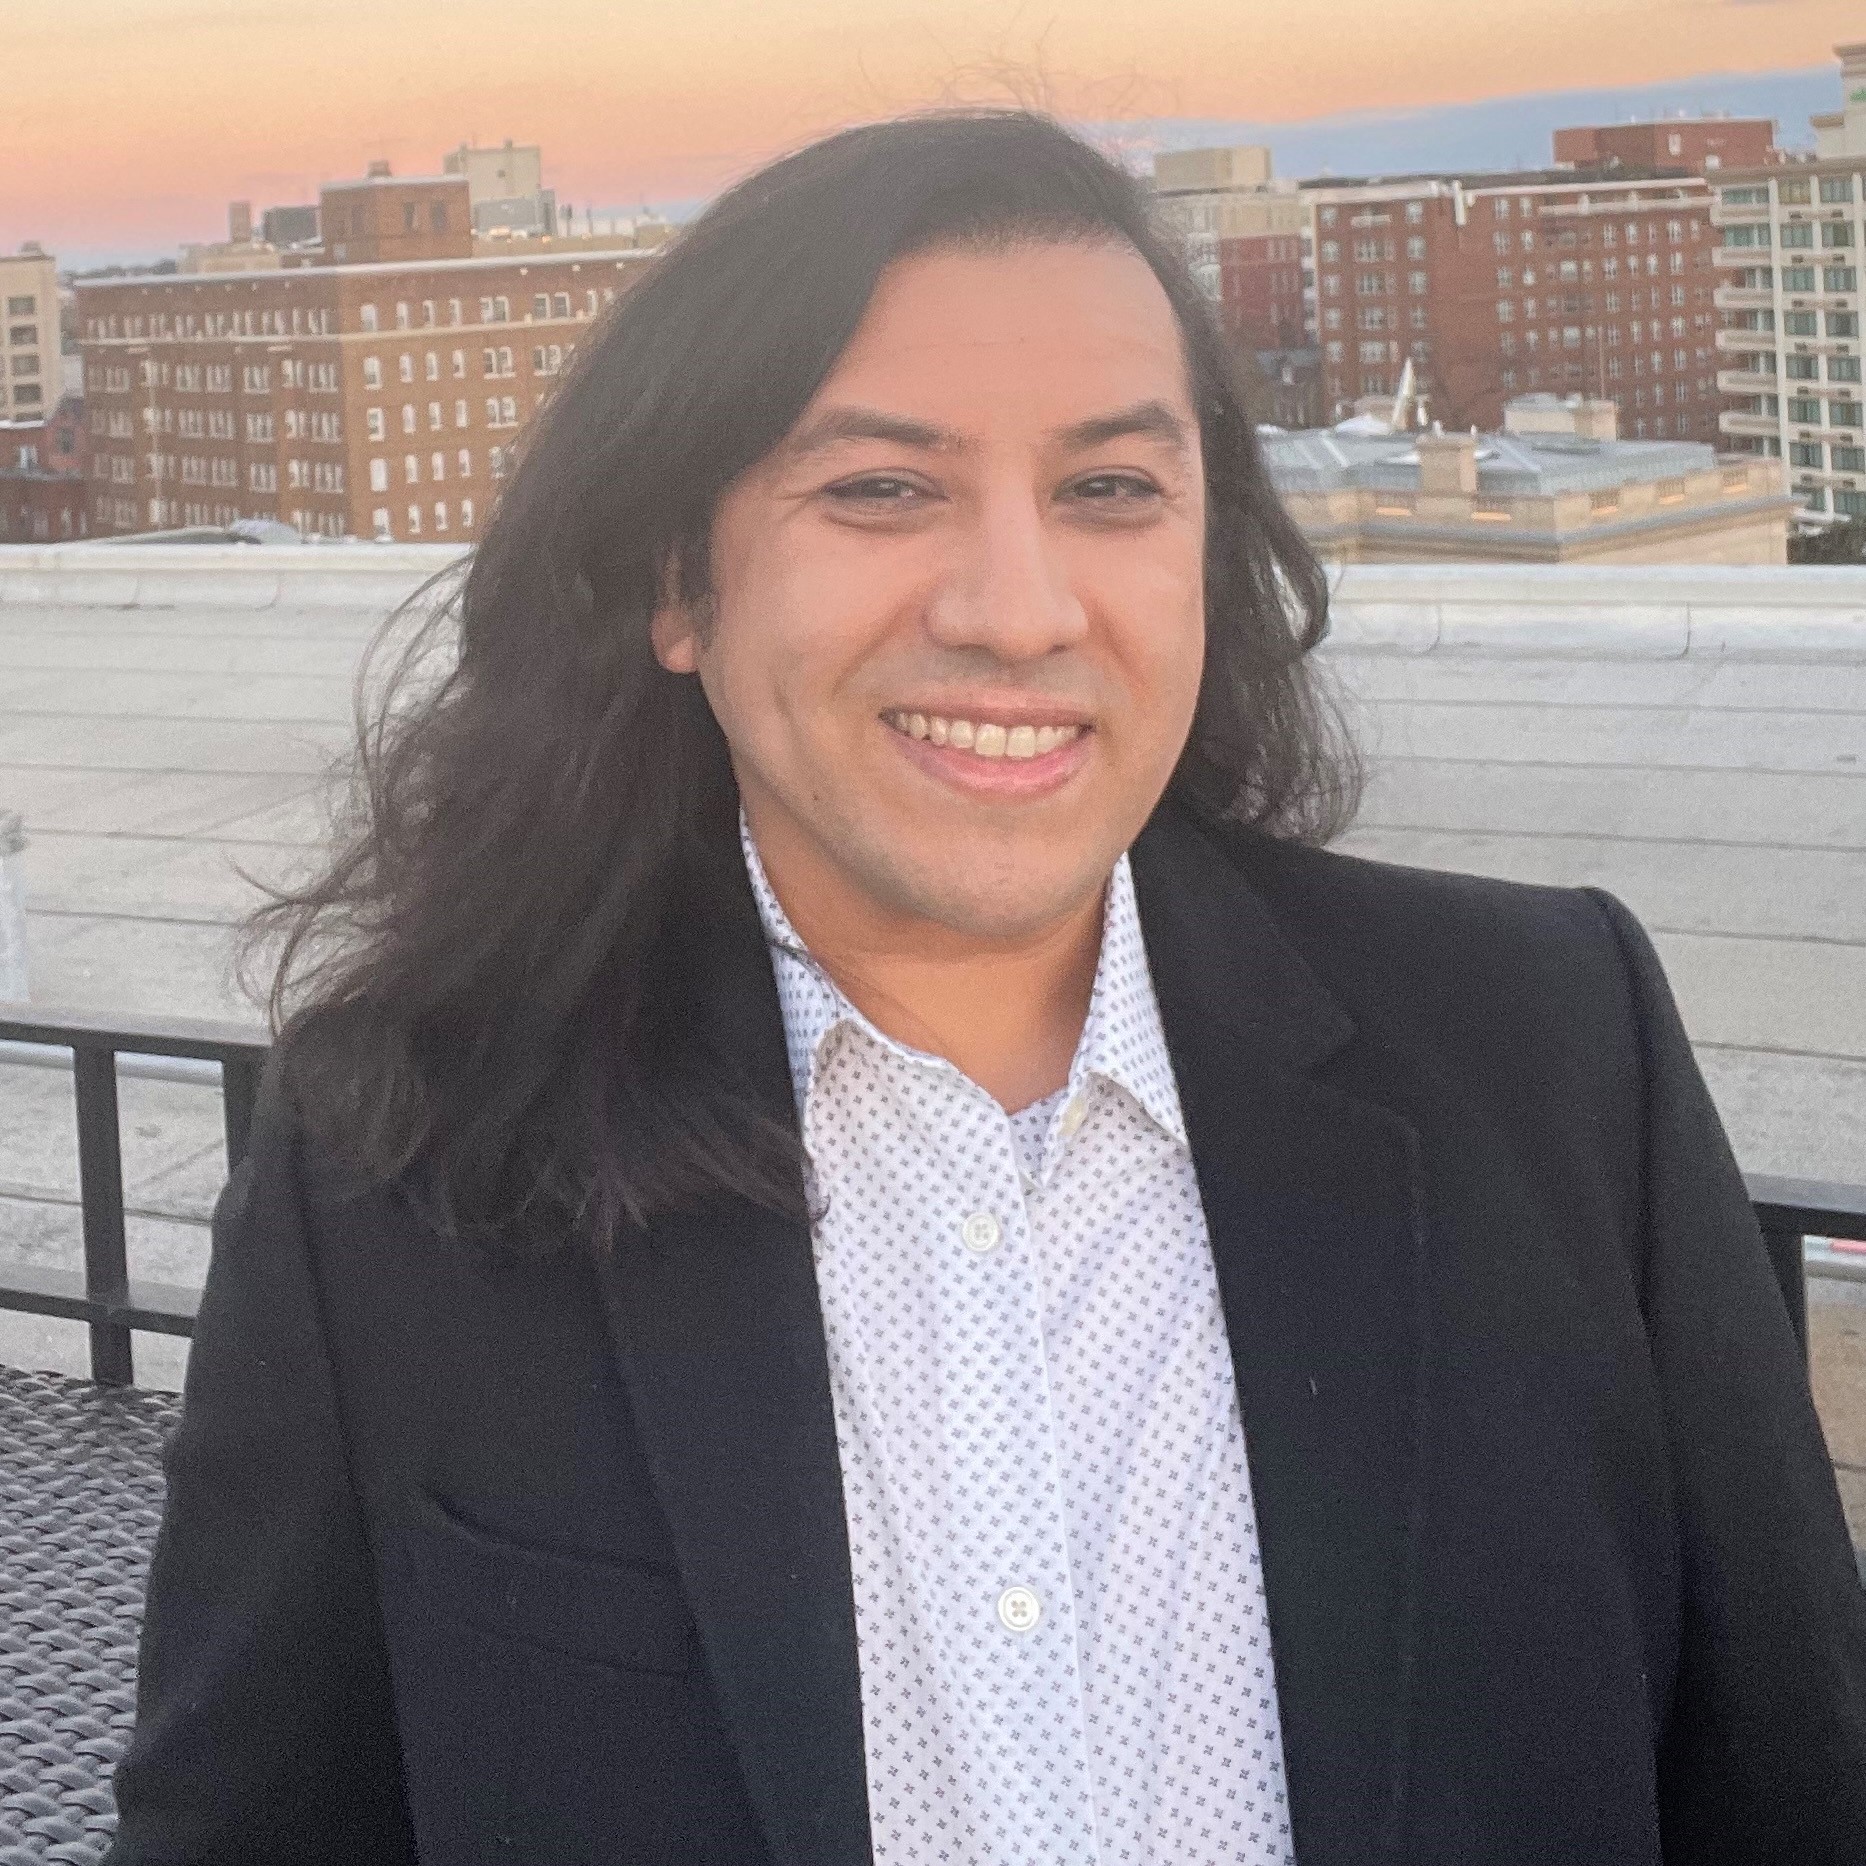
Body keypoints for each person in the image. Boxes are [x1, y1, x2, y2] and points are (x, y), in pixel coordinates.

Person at [105, 112, 1865, 1866]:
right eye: (881, 488)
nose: (1019, 612)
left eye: (1108, 490)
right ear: (676, 583)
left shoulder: (1552, 1055)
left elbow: (1790, 1779)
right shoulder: (394, 1162)